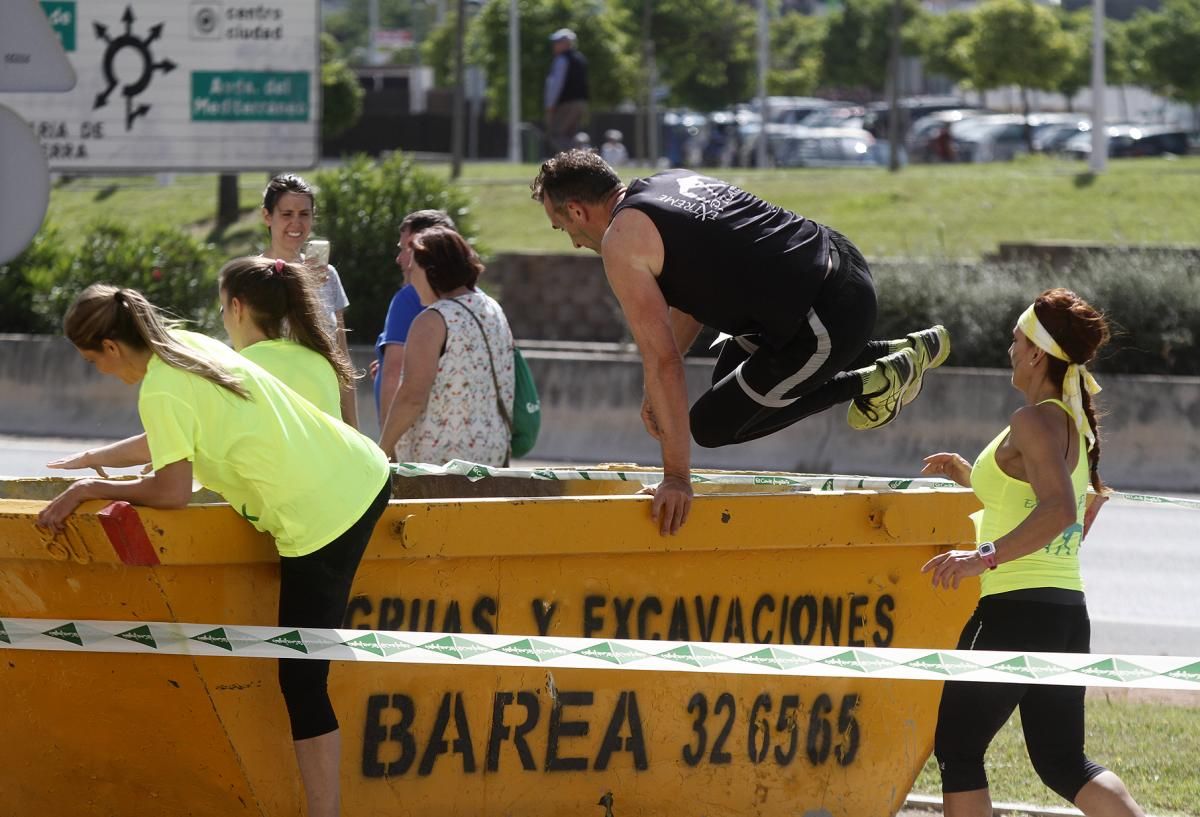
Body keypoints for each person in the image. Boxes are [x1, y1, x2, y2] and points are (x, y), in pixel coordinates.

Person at [37, 285, 391, 817]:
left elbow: (171, 491)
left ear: (111, 347)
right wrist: (93, 458)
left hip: (327, 512)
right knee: (302, 668)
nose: (100, 372)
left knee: (299, 677)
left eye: (94, 361)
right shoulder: (185, 344)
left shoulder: (160, 387)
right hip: (358, 472)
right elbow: (175, 433)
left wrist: (94, 488)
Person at [530, 150, 949, 535]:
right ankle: (894, 350)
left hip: (827, 314)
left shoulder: (621, 242)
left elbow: (664, 363)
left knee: (714, 425)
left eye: (561, 225)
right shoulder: (667, 183)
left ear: (577, 210)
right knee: (727, 384)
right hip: (840, 262)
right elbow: (692, 301)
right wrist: (652, 392)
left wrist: (676, 478)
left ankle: (872, 380)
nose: (571, 240)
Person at [920, 288, 1145, 817]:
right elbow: (1068, 508)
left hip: (1013, 611)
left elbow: (1059, 512)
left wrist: (983, 556)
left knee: (957, 749)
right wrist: (967, 474)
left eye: (1016, 340)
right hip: (1065, 614)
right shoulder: (1069, 423)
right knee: (1063, 762)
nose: (1010, 349)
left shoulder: (1034, 421)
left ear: (1037, 354)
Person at [377, 226, 514, 467]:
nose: (409, 275)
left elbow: (412, 396)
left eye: (414, 268)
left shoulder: (432, 320)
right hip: (493, 451)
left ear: (432, 271)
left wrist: (383, 451)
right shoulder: (492, 309)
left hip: (442, 461)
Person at [262, 173, 359, 429]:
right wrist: (301, 287)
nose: (296, 223)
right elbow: (244, 350)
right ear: (267, 217)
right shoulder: (252, 277)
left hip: (324, 415)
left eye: (304, 214)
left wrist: (353, 429)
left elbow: (341, 357)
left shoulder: (328, 276)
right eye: (287, 214)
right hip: (275, 414)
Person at [220, 255, 355, 419]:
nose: (223, 320)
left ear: (236, 308)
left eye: (223, 309)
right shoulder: (320, 361)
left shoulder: (237, 371)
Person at [372, 210, 458, 424]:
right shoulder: (475, 298)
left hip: (419, 437)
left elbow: (394, 372)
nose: (400, 259)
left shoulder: (409, 298)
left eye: (407, 249)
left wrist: (387, 449)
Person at [544, 28, 589, 154]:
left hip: (566, 103)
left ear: (566, 43)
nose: (554, 45)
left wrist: (550, 105)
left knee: (556, 134)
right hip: (581, 102)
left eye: (557, 42)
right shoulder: (580, 59)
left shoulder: (562, 59)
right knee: (571, 135)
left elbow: (556, 84)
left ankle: (576, 160)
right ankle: (581, 160)